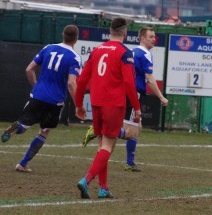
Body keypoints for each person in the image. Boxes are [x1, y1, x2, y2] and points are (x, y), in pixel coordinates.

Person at [83, 27, 168, 172]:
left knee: (134, 128)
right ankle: (100, 133)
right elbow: (149, 78)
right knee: (132, 130)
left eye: (154, 37)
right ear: (142, 38)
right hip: (132, 94)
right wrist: (161, 97)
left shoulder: (132, 52)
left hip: (122, 93)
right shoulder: (145, 54)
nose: (154, 39)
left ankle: (129, 161)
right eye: (151, 37)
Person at [75, 17, 141, 199]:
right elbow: (129, 82)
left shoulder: (96, 50)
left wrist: (79, 104)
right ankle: (86, 180)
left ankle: (103, 188)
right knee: (108, 146)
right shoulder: (125, 53)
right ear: (125, 32)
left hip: (96, 103)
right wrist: (136, 107)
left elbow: (81, 79)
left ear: (111, 32)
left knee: (101, 146)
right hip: (113, 104)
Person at [1, 25, 81, 172]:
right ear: (76, 39)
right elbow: (71, 83)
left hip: (38, 95)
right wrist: (78, 105)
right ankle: (22, 164)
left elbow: (29, 69)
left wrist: (36, 86)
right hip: (55, 101)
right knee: (44, 131)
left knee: (24, 125)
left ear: (62, 34)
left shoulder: (48, 48)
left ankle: (16, 127)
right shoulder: (75, 58)